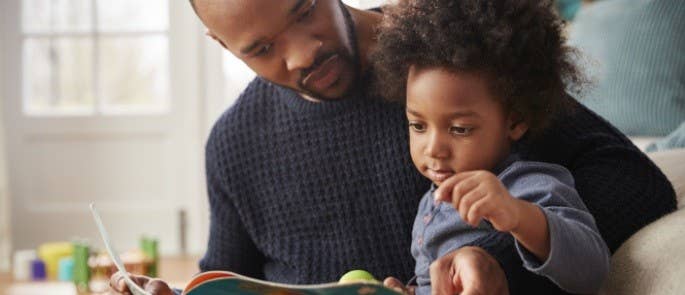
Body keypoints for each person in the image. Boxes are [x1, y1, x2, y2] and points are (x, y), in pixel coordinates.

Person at [109, 0, 676, 294]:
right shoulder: (233, 145)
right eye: (261, 48)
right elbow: (230, 277)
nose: (302, 53)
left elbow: (637, 186)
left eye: (304, 9)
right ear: (222, 45)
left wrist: (498, 257)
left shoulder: (451, 64)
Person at [371, 0, 610, 294]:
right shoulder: (429, 204)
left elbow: (593, 269)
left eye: (460, 129)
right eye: (418, 126)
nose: (433, 149)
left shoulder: (525, 185)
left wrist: (518, 214)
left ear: (516, 121)